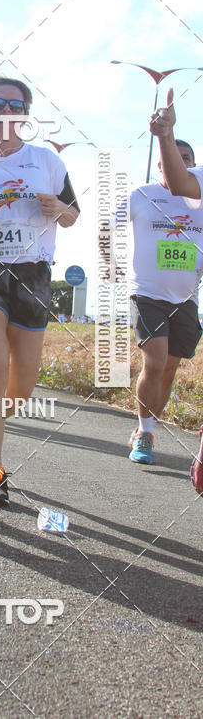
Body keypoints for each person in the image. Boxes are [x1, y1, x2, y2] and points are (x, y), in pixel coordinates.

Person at [0, 76, 79, 506]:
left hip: (32, 274)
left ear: (25, 112)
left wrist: (60, 209)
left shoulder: (46, 160)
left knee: (21, 388)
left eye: (14, 104)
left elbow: (72, 215)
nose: (5, 111)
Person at [146, 88, 203, 493]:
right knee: (156, 359)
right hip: (147, 292)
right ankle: (145, 430)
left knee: (169, 368)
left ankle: (150, 421)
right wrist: (166, 134)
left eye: (188, 161)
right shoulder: (142, 195)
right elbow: (106, 234)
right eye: (175, 160)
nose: (182, 168)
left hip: (187, 297)